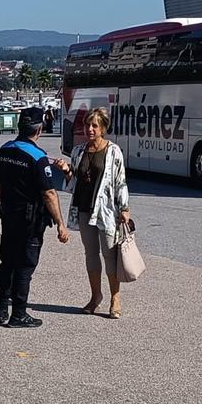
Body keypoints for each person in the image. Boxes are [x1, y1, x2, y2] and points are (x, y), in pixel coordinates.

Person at [0, 107, 70, 328]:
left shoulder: (3, 150)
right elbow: (49, 193)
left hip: (8, 216)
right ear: (39, 129)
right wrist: (61, 224)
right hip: (30, 220)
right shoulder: (37, 157)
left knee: (6, 263)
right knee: (25, 266)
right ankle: (19, 314)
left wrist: (0, 206)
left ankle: (1, 310)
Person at [54, 108, 131, 319]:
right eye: (87, 125)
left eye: (94, 126)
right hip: (84, 208)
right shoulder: (79, 151)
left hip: (106, 210)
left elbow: (120, 180)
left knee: (110, 254)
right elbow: (75, 181)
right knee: (90, 254)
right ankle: (96, 296)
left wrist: (124, 207)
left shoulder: (113, 151)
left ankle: (115, 297)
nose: (89, 129)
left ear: (103, 128)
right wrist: (66, 170)